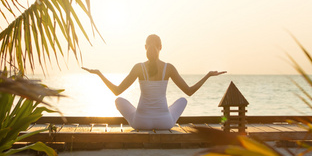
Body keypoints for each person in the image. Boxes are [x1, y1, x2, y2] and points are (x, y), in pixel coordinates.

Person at [82, 34, 226, 130]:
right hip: (165, 123)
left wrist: (99, 74)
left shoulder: (139, 68)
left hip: (140, 123)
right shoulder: (168, 68)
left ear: (145, 47)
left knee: (119, 100)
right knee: (182, 100)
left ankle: (154, 113)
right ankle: (164, 112)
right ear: (160, 47)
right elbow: (189, 92)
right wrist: (207, 76)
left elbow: (117, 91)